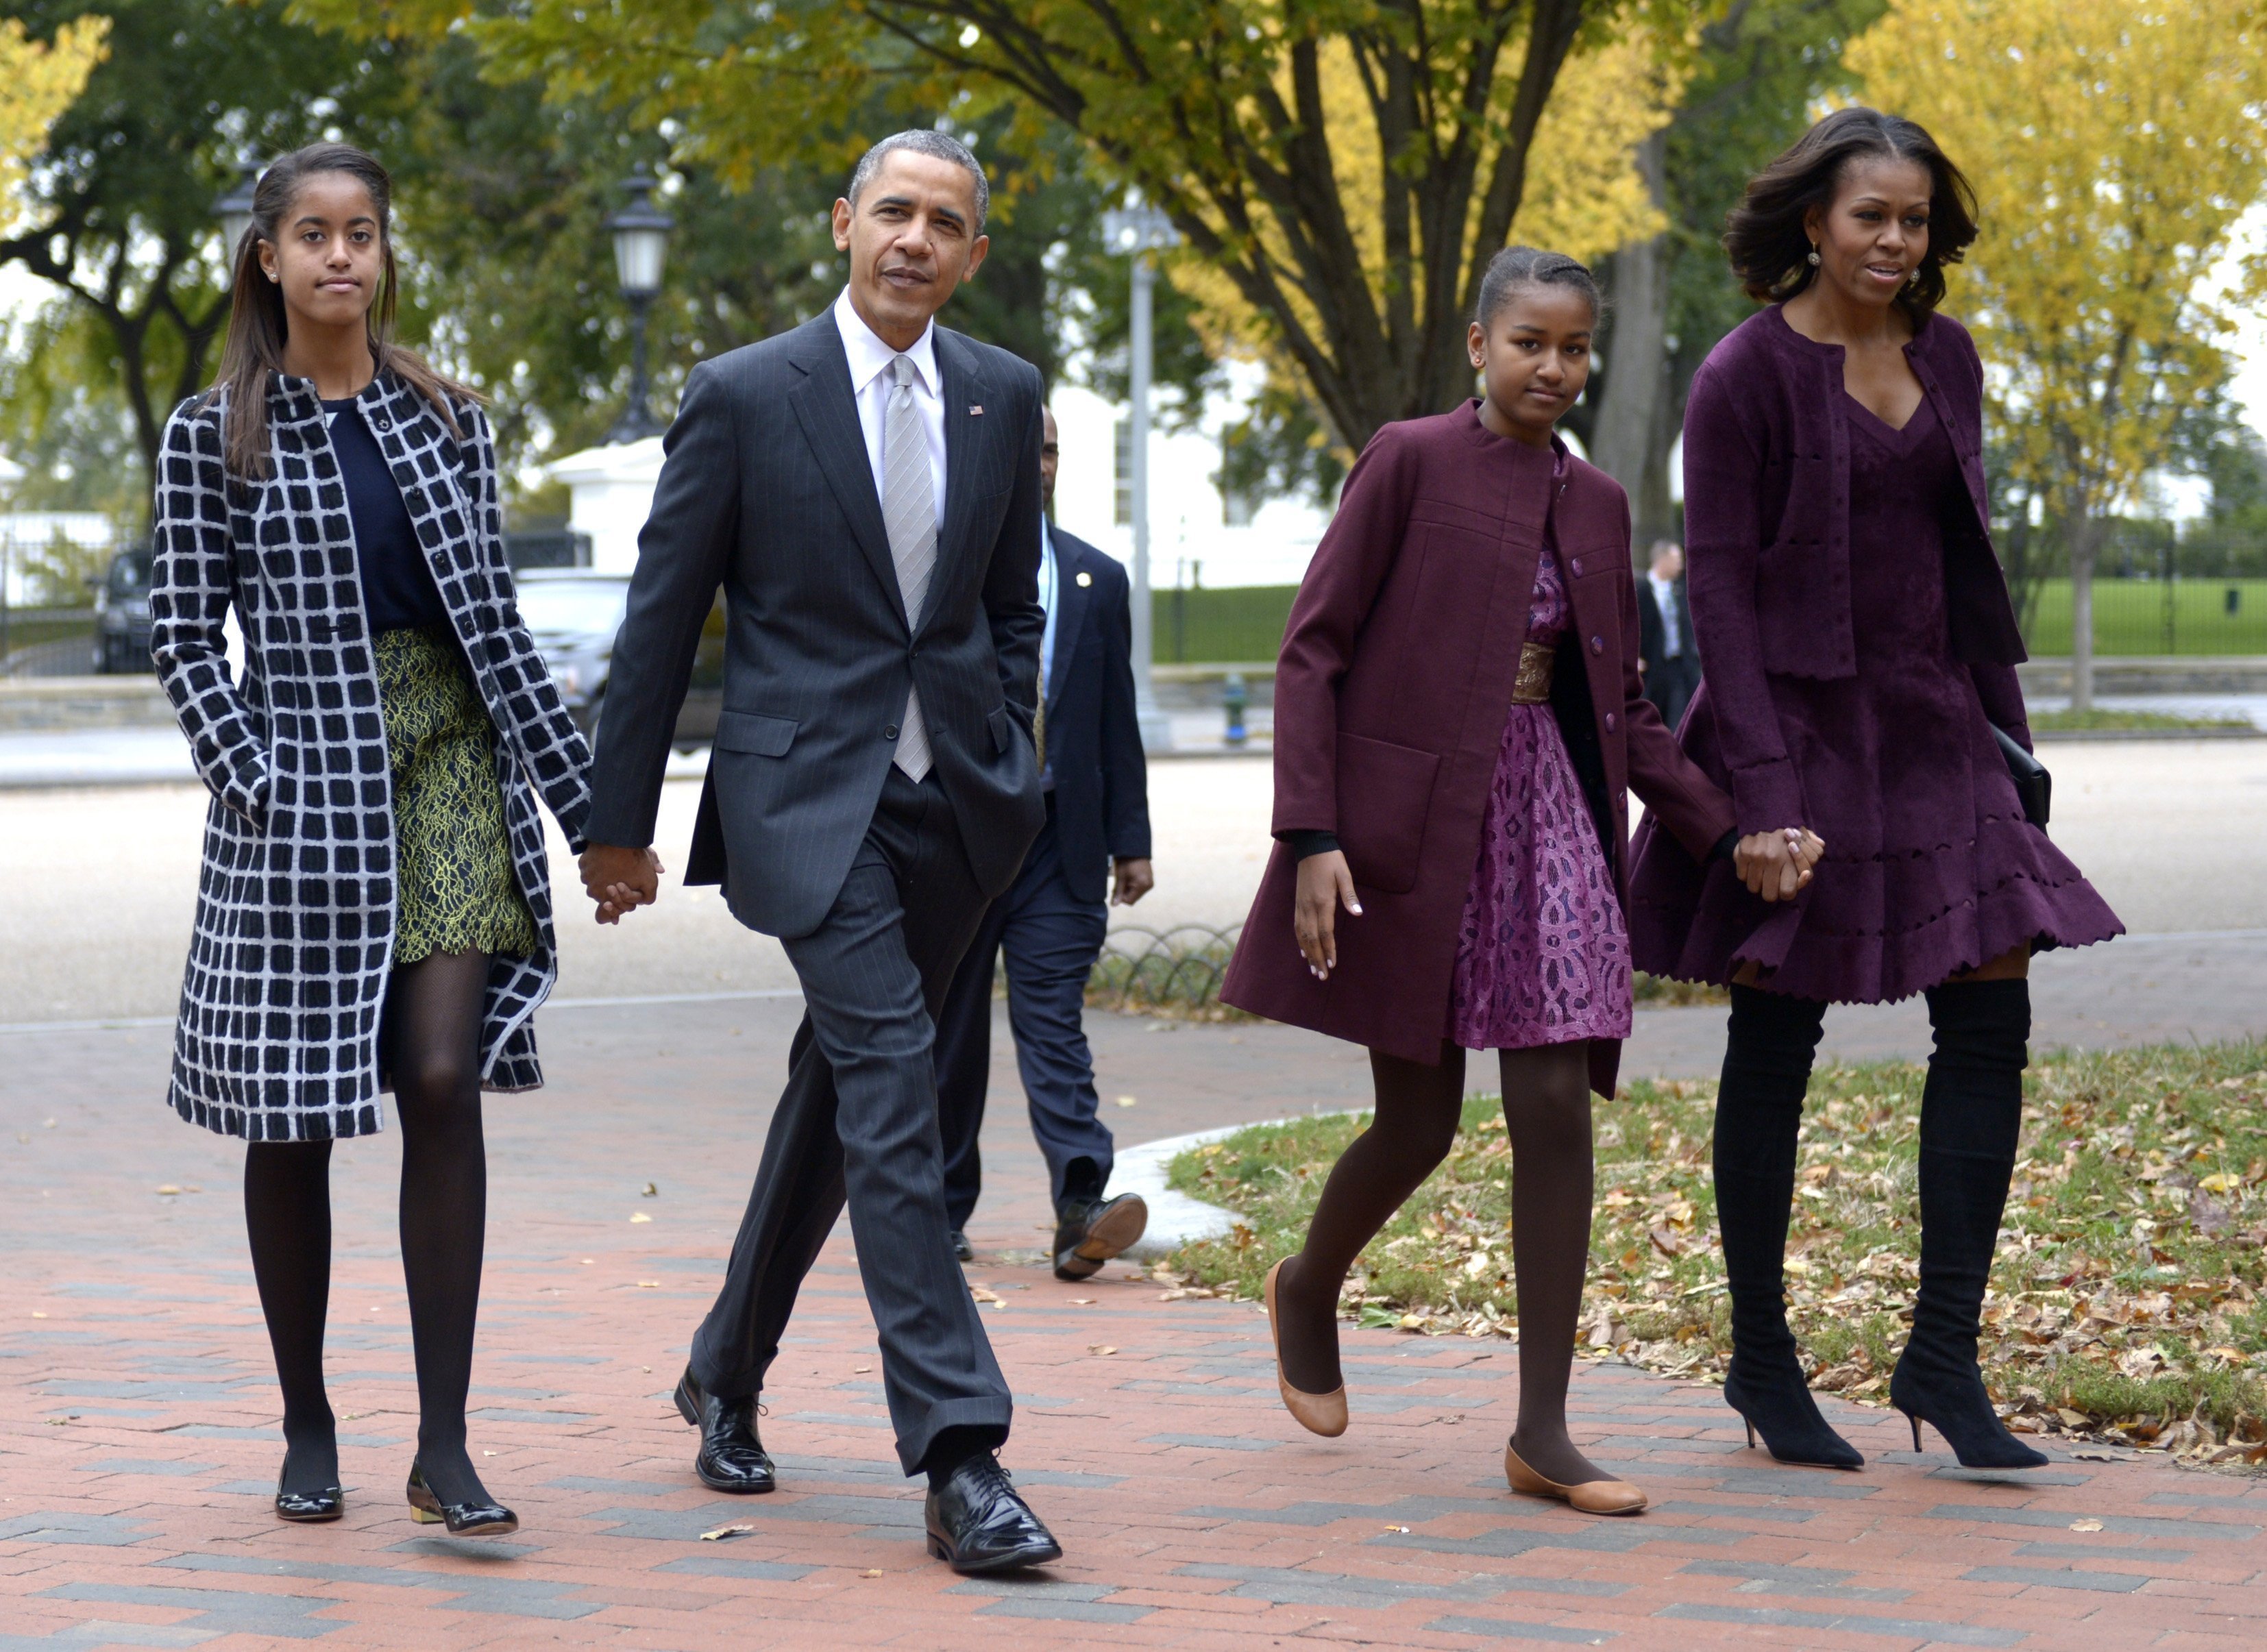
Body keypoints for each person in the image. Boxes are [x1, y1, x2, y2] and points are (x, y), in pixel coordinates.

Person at [576, 130, 1062, 1575]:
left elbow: (1008, 603)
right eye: (893, 211)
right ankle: (961, 1447)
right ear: (843, 222)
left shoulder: (999, 392)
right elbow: (662, 619)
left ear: (974, 253)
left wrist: (1016, 763)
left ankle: (725, 1361)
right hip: (807, 799)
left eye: (946, 223)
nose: (915, 238)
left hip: (959, 807)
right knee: (898, 1088)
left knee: (841, 1087)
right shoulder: (743, 395)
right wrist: (618, 821)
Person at [1219, 248, 1755, 1518]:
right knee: (1417, 1123)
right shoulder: (1406, 459)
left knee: (1556, 1104)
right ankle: (1307, 1281)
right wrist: (1310, 835)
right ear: (1478, 344)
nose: (1554, 370)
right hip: (1412, 828)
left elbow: (1621, 704)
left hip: (1550, 817)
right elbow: (1311, 653)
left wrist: (1721, 834)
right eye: (1530, 343)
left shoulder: (1600, 500)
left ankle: (1542, 1431)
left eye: (1574, 349)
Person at [1626, 108, 2122, 1472]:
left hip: (1934, 719)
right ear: (1811, 222)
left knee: (1991, 1011)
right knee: (1775, 1036)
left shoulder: (1947, 357)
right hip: (1792, 731)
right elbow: (1717, 586)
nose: (1895, 242)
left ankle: (1943, 1356)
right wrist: (1763, 799)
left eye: (1914, 220)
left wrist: (2012, 752)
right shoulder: (1741, 376)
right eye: (1871, 218)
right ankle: (1761, 1358)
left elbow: (1969, 564)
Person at [148, 143, 596, 1536]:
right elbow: (181, 632)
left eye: (363, 234)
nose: (341, 256)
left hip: (452, 756)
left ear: (384, 255)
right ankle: (307, 1417)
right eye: (314, 235)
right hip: (302, 783)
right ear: (267, 258)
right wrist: (250, 774)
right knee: (294, 1112)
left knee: (442, 1071)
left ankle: (445, 1439)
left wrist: (596, 814)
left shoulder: (445, 418)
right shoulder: (212, 431)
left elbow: (502, 631)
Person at [932, 408, 1155, 1277]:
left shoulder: (1096, 579)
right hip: (958, 835)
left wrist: (1130, 840)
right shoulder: (939, 569)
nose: (1040, 463)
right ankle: (942, 1209)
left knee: (1051, 1021)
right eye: (1025, 450)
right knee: (949, 1035)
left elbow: (1114, 718)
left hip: (1062, 841)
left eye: (1051, 449)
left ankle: (1080, 1202)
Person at [1636, 539, 1699, 732]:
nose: (1681, 565)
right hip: (1652, 666)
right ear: (1662, 561)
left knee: (1678, 716)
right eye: (1676, 559)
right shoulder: (1641, 589)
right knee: (1652, 715)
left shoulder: (1680, 590)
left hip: (1678, 665)